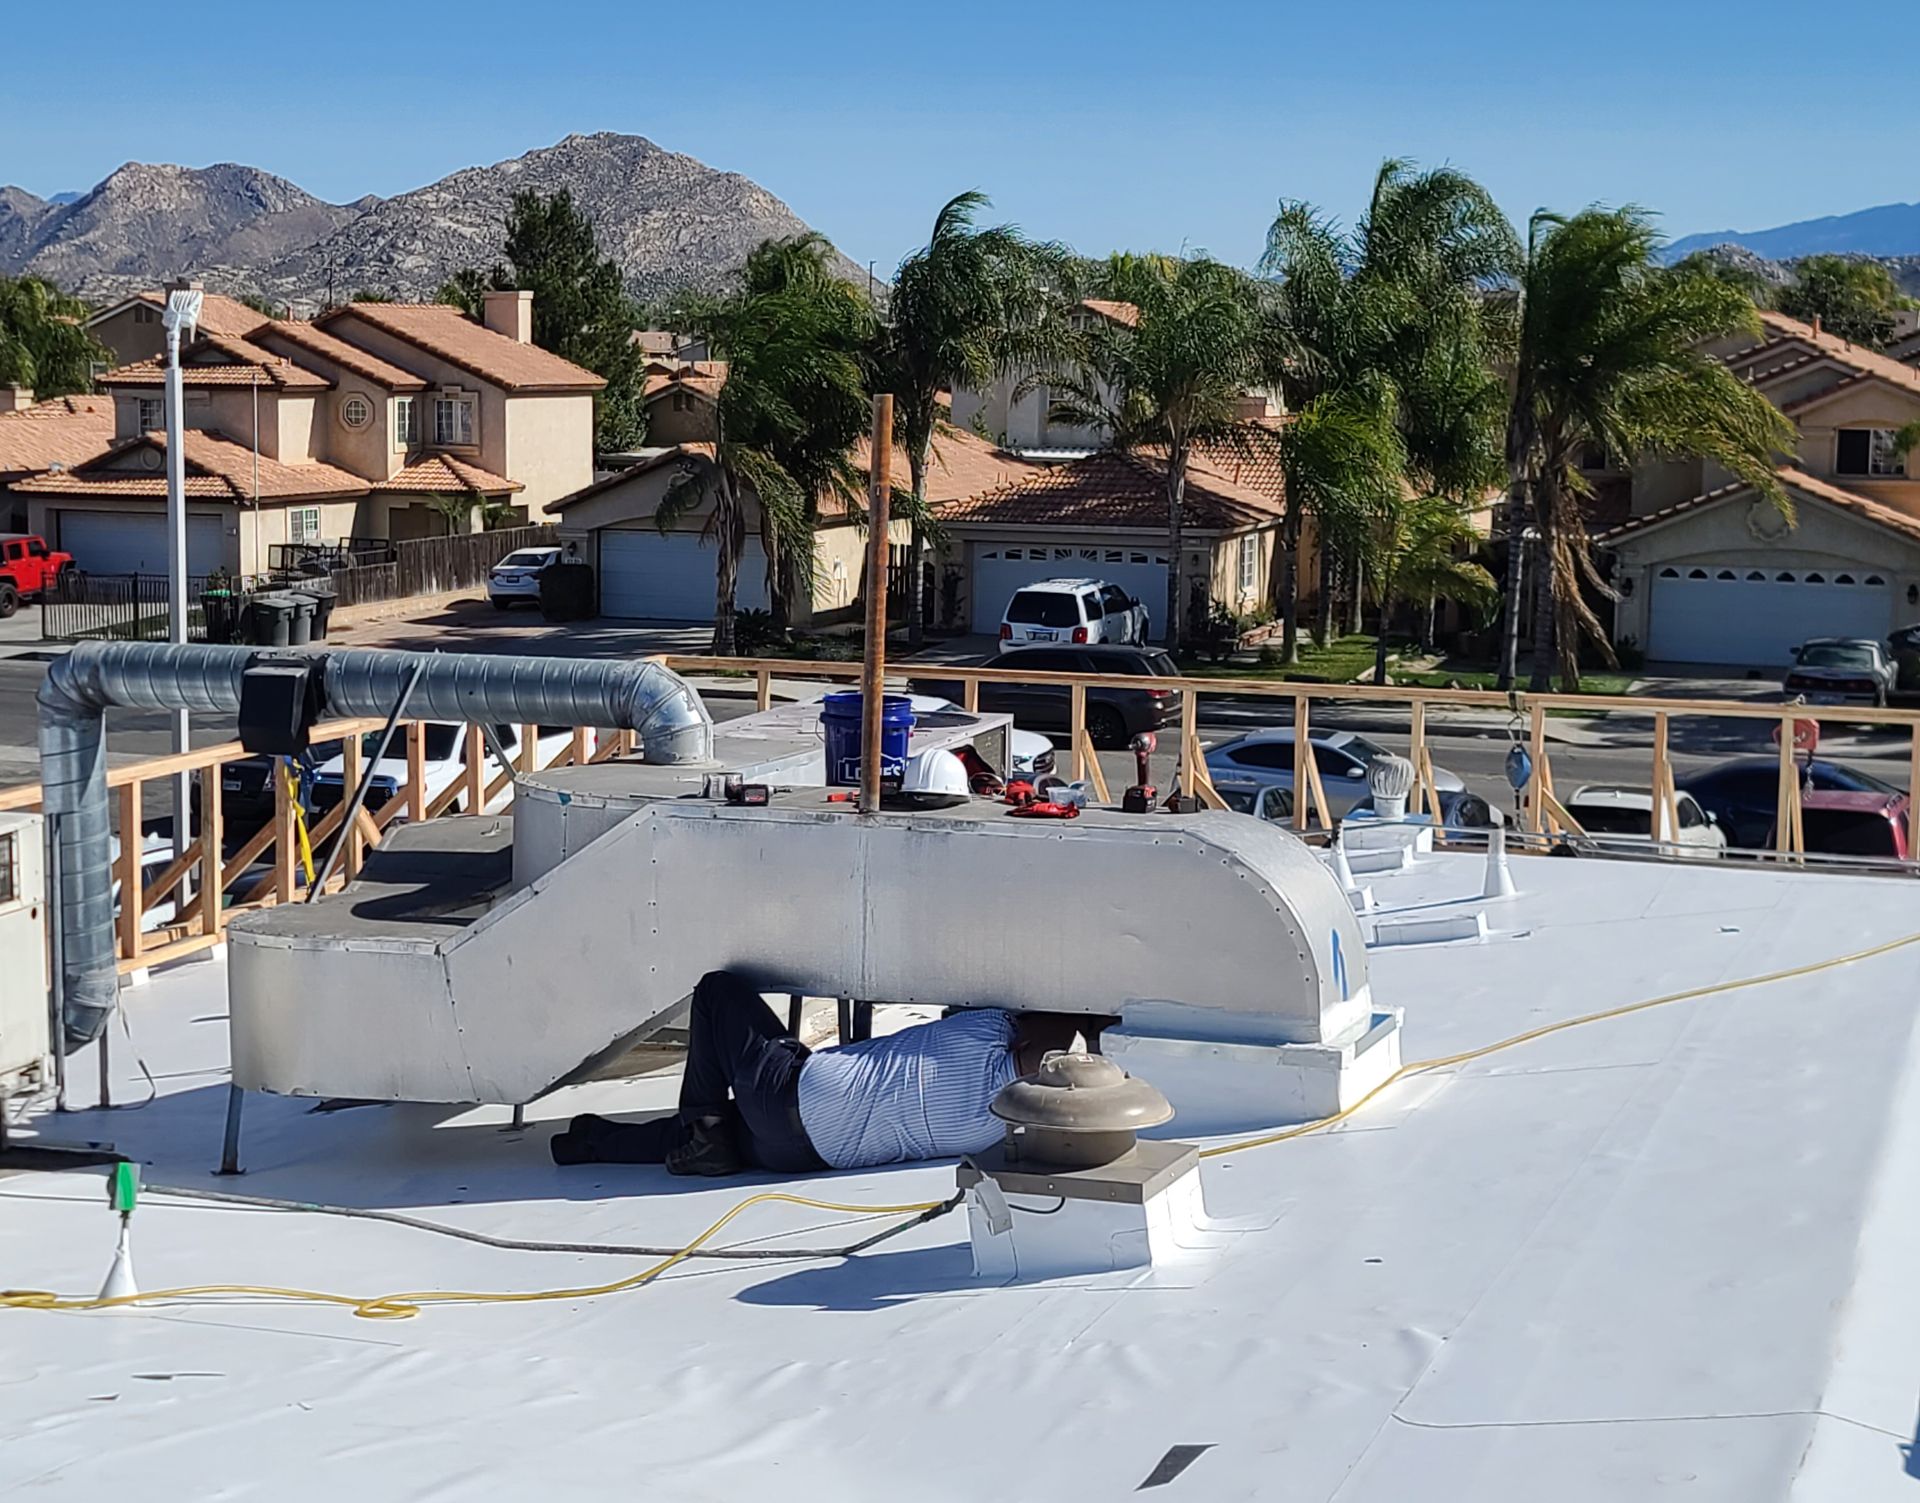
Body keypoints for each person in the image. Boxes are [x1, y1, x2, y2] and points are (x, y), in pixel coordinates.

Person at [550, 970, 1089, 1177]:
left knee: (718, 992)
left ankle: (703, 1125)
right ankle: (590, 1142)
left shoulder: (1003, 1053)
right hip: (805, 1156)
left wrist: (1077, 1008)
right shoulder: (1005, 1121)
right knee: (714, 1138)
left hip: (793, 1093)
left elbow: (1050, 1034)